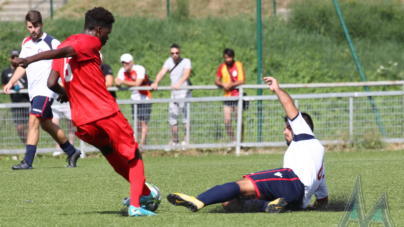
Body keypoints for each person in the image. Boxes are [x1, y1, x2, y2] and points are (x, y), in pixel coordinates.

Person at [12, 7, 156, 217]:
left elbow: (52, 82)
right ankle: (137, 204)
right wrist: (28, 60)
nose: (106, 39)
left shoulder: (65, 42)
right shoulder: (91, 42)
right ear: (98, 29)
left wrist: (65, 93)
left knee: (108, 151)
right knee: (134, 155)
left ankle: (142, 192)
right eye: (107, 33)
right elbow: (63, 52)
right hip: (104, 111)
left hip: (82, 119)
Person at [167, 77, 328, 213]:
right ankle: (268, 206)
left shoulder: (304, 133)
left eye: (288, 127)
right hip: (293, 201)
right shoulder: (317, 158)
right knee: (228, 203)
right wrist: (311, 206)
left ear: (303, 126)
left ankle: (198, 200)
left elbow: (287, 102)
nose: (284, 131)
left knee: (242, 185)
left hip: (291, 182)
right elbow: (323, 199)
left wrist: (277, 89)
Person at [3, 10, 80, 170]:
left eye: (36, 26)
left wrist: (63, 87)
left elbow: (64, 66)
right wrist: (11, 81)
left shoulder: (52, 43)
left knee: (33, 120)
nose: (33, 30)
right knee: (46, 125)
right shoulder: (26, 43)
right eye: (30, 27)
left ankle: (27, 161)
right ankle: (72, 152)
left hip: (46, 91)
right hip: (34, 91)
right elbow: (23, 65)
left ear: (42, 25)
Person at [151, 44, 192, 150]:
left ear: (180, 52)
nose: (175, 55)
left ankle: (185, 142)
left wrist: (179, 83)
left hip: (184, 94)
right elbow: (162, 72)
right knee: (173, 118)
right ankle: (175, 141)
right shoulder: (169, 61)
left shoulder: (186, 61)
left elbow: (187, 73)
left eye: (177, 53)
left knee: (185, 119)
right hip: (174, 94)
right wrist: (156, 82)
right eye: (172, 53)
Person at [115, 53, 152, 148]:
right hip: (134, 99)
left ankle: (142, 145)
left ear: (132, 62)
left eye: (126, 63)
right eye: (123, 63)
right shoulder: (122, 71)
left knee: (143, 122)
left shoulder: (139, 69)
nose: (124, 65)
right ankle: (141, 143)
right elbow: (117, 83)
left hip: (144, 98)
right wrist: (117, 82)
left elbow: (137, 83)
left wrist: (122, 81)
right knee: (137, 122)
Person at [215, 48, 245, 145]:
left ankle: (240, 141)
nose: (228, 60)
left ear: (233, 57)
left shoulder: (238, 65)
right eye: (226, 58)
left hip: (237, 97)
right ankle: (233, 141)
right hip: (227, 97)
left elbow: (242, 80)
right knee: (227, 121)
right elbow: (217, 80)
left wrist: (230, 85)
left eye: (230, 57)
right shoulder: (222, 67)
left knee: (238, 119)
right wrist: (223, 84)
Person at [1, 49, 30, 145]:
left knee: (31, 127)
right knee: (20, 128)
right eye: (13, 57)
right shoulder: (6, 72)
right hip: (16, 104)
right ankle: (28, 146)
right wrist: (12, 85)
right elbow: (4, 87)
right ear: (10, 58)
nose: (15, 59)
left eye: (17, 57)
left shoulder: (25, 70)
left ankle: (32, 148)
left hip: (28, 102)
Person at [51, 79, 75, 157]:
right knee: (54, 125)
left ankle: (72, 147)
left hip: (68, 101)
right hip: (55, 102)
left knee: (70, 125)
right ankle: (58, 148)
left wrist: (57, 83)